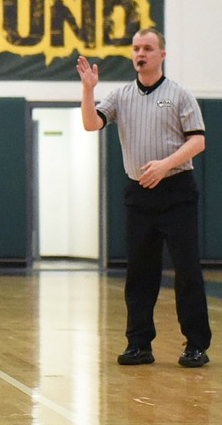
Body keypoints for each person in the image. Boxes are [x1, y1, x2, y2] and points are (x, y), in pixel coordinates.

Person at [78, 28, 212, 368]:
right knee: (139, 273)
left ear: (161, 55)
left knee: (187, 271)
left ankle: (195, 344)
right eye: (136, 48)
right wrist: (88, 90)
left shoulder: (180, 95)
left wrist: (165, 164)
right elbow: (91, 124)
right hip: (139, 194)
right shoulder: (121, 96)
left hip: (177, 190)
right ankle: (139, 344)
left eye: (148, 48)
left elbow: (198, 141)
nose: (141, 53)